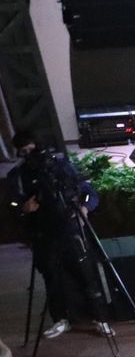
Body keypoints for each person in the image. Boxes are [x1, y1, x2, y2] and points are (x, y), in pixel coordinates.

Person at [4, 130, 111, 340]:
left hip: (71, 230)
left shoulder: (61, 167)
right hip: (43, 233)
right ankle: (61, 318)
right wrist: (24, 208)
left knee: (85, 274)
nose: (29, 155)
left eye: (31, 149)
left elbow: (88, 191)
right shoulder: (18, 175)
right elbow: (12, 205)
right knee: (52, 276)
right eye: (23, 152)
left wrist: (85, 208)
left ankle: (100, 318)